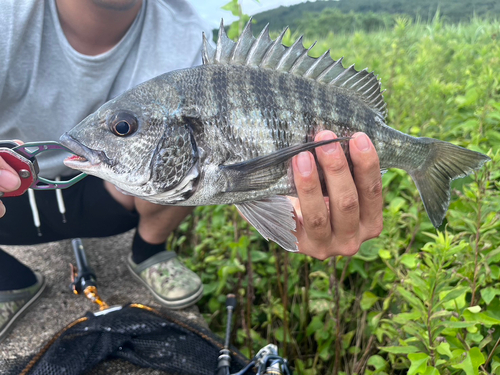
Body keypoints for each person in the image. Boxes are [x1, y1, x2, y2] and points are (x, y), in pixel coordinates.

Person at [0, 0, 384, 344]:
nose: (121, 130)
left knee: (197, 176)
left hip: (113, 195)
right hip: (13, 194)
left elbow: (234, 159)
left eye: (122, 128)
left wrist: (290, 205)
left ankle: (148, 251)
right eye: (124, 127)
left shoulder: (184, 35)